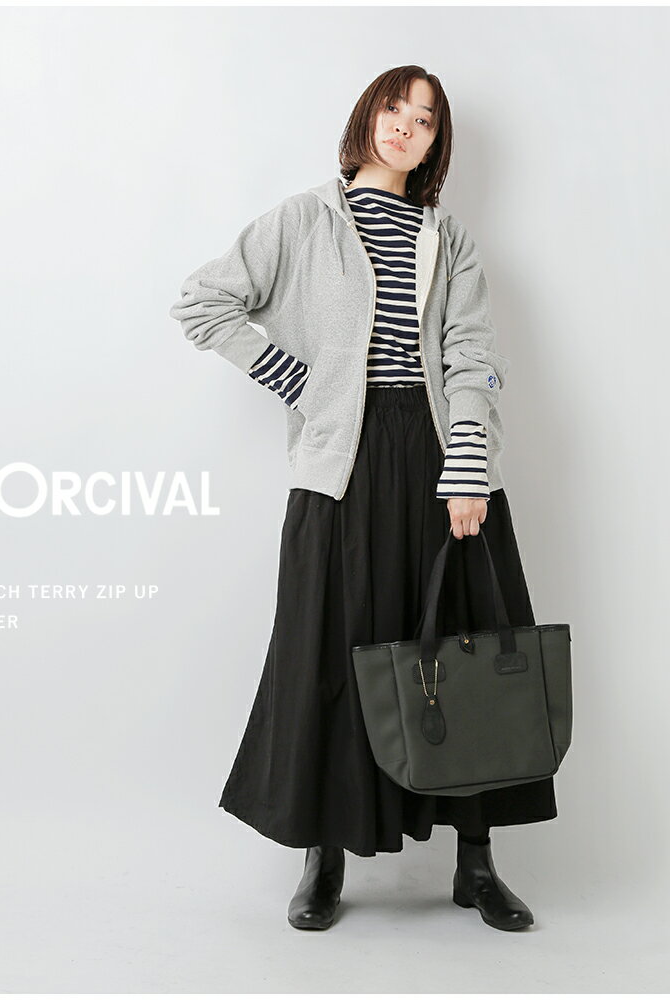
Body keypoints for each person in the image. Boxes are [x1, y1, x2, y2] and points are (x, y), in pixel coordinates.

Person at [169, 65, 556, 933]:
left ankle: (476, 864)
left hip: (439, 458)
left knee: (464, 649)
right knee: (332, 657)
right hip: (340, 462)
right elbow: (203, 304)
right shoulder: (304, 220)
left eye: (426, 119)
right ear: (368, 116)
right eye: (394, 107)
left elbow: (470, 353)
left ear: (436, 143)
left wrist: (467, 469)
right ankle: (323, 859)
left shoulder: (448, 238)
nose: (406, 126)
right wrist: (304, 386)